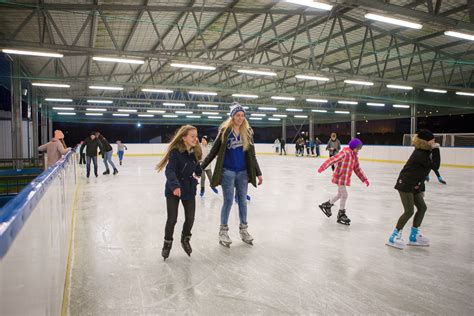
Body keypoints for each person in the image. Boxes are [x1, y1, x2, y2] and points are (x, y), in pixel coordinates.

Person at [200, 102, 263, 248]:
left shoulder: (247, 132)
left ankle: (244, 230)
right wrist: (201, 167)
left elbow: (252, 155)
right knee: (228, 201)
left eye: (242, 115)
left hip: (243, 173)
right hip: (227, 172)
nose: (240, 118)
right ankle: (223, 232)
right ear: (232, 116)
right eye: (237, 115)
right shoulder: (224, 132)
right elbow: (213, 151)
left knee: (242, 202)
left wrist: (258, 173)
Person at [386, 130, 440, 249]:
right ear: (426, 141)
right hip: (405, 184)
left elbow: (423, 172)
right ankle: (394, 236)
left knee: (422, 208)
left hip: (415, 185)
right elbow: (435, 166)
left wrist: (421, 188)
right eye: (432, 139)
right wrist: (436, 149)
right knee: (409, 211)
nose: (434, 141)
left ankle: (414, 236)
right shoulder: (420, 153)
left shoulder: (424, 152)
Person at [156, 125, 202, 260]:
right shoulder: (175, 152)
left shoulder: (195, 152)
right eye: (192, 136)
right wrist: (175, 186)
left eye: (196, 136)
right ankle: (167, 243)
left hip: (188, 188)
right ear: (184, 138)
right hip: (173, 189)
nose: (195, 138)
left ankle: (185, 239)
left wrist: (199, 171)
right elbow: (169, 170)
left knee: (190, 218)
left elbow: (196, 167)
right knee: (172, 219)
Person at [318, 138, 369, 225]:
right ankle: (341, 213)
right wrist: (322, 167)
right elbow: (332, 159)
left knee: (340, 194)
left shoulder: (354, 156)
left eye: (359, 149)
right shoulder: (345, 153)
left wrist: (364, 179)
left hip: (344, 178)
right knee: (344, 195)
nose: (358, 151)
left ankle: (327, 205)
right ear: (353, 147)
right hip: (339, 177)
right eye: (357, 148)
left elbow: (357, 169)